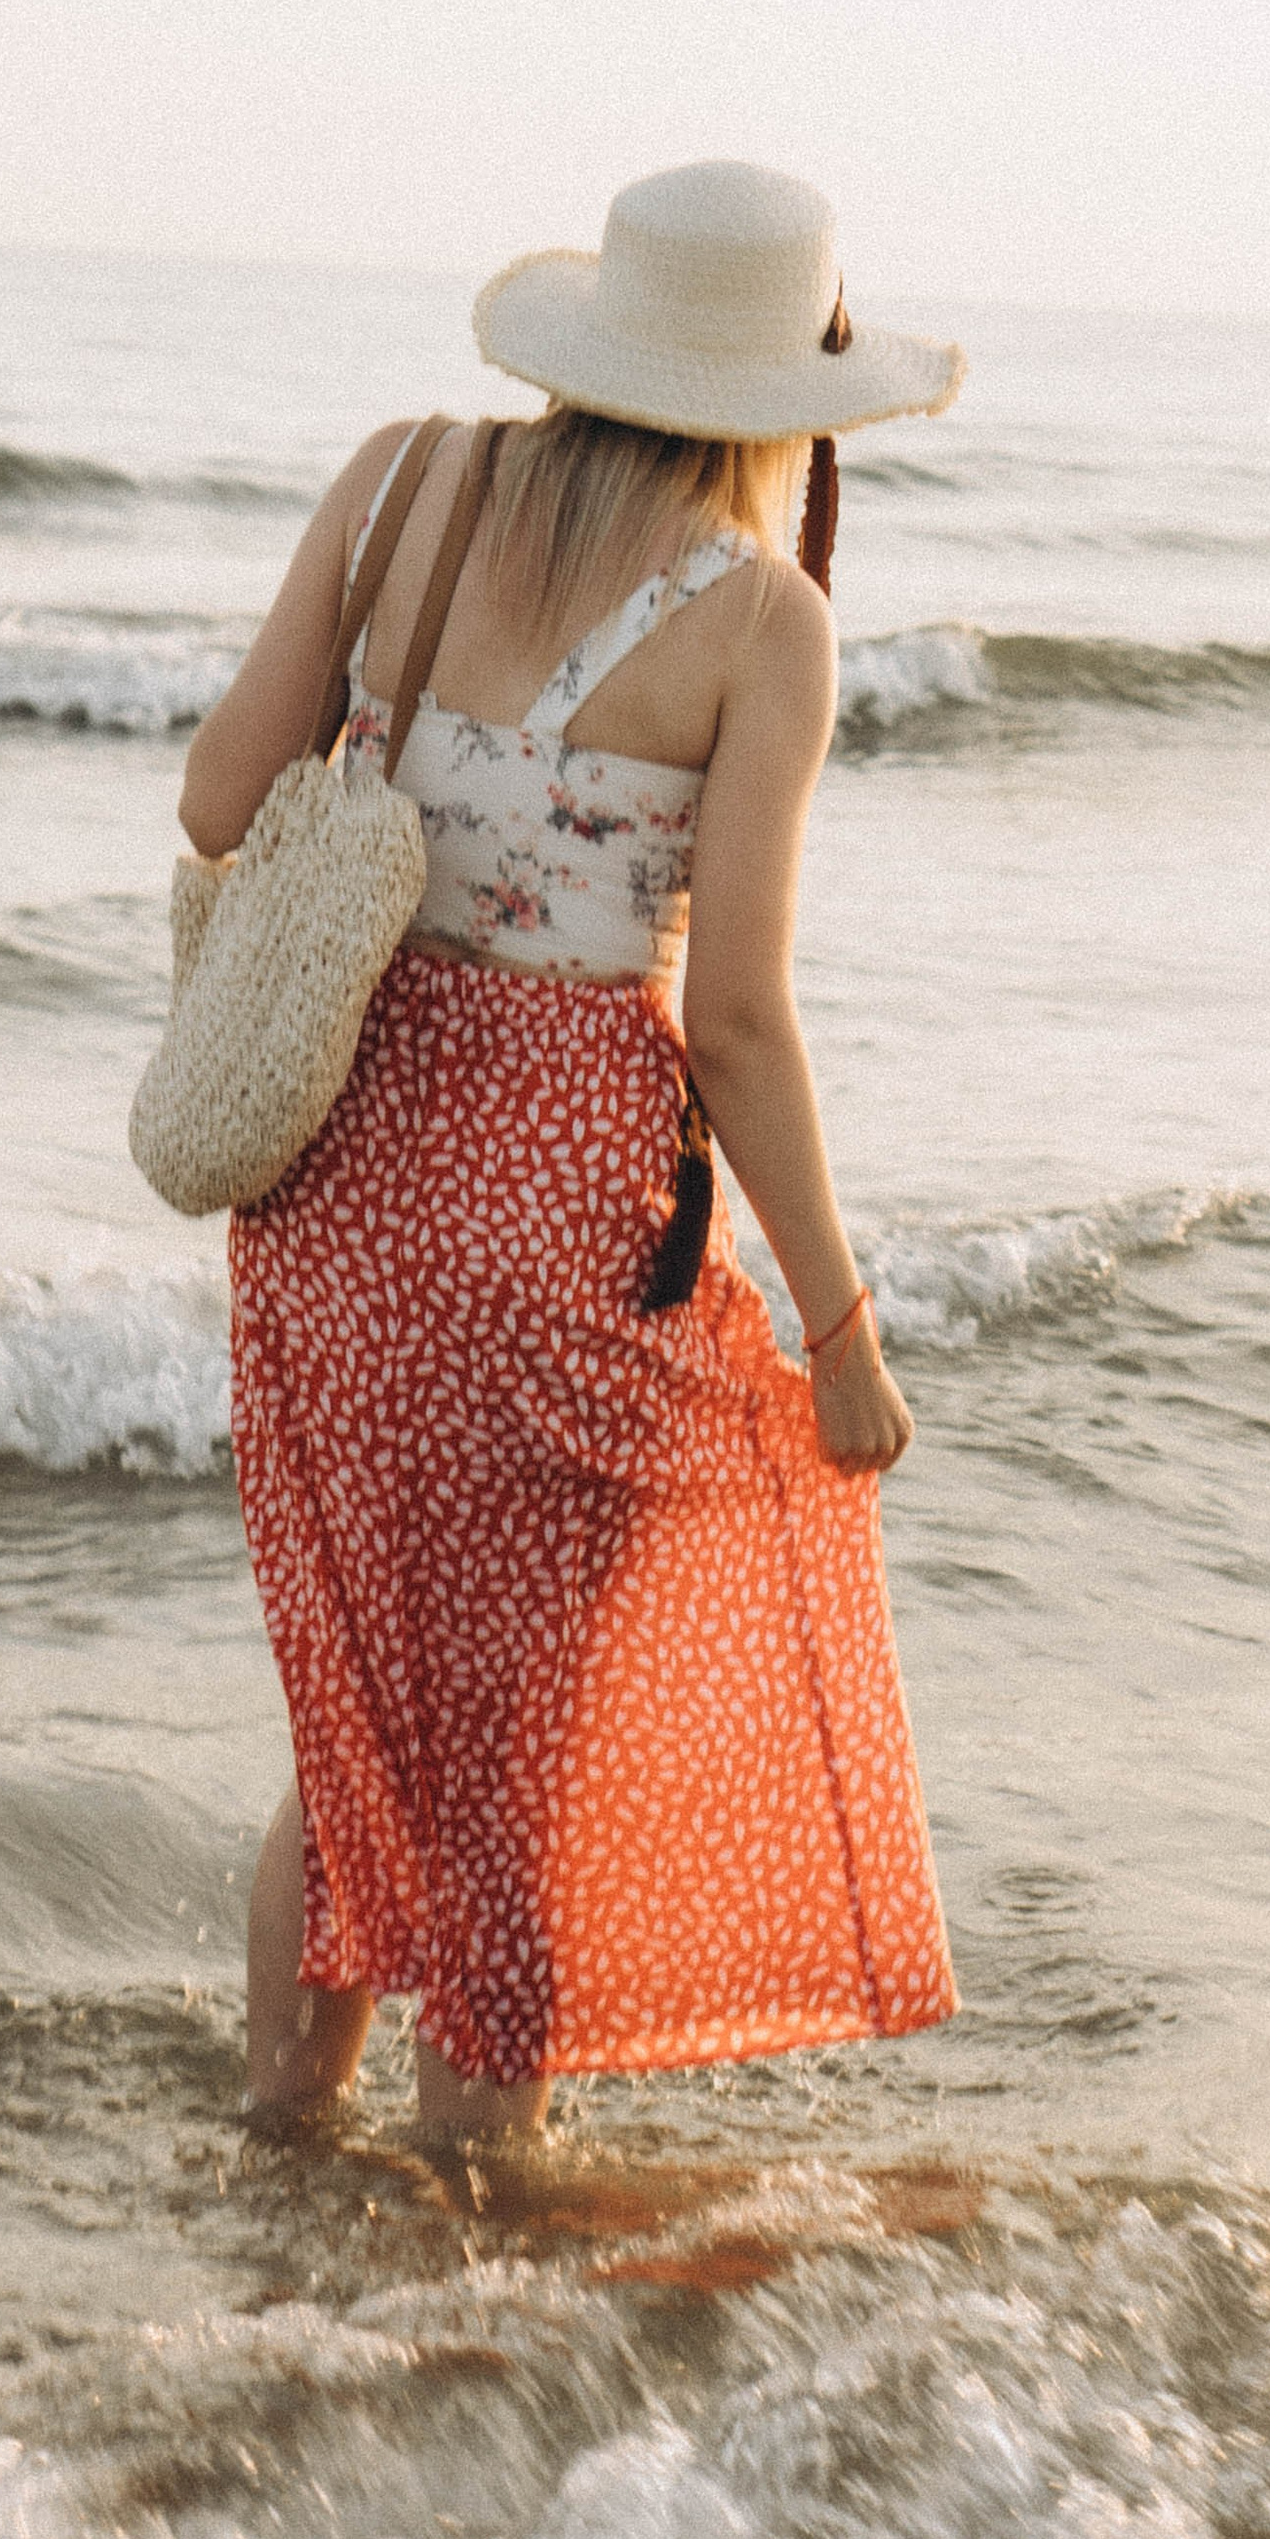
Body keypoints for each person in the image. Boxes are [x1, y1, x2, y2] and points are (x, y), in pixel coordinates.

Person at [176, 161, 963, 2139]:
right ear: (789, 394)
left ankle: (287, 2149)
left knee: (356, 1722)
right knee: (515, 1751)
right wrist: (842, 1332)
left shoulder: (399, 481)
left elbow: (214, 798)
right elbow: (738, 1023)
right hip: (555, 1208)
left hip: (329, 1176)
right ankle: (477, 2234)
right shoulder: (762, 619)